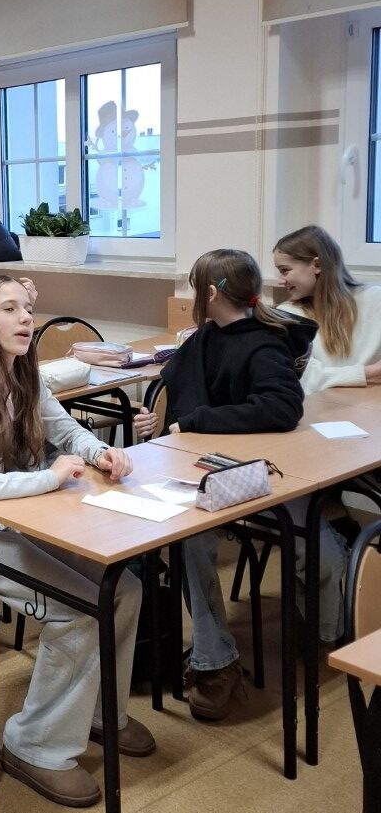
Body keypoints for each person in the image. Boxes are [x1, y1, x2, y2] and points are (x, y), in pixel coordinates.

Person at [0, 276, 151, 808]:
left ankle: (100, 711)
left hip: (17, 519)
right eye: (10, 309)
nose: (26, 317)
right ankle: (34, 744)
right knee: (77, 614)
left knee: (125, 590)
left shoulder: (22, 373)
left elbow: (65, 431)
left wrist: (98, 453)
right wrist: (47, 479)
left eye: (27, 308)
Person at [134, 249, 326, 718]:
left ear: (211, 293)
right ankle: (215, 660)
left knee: (317, 546)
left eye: (195, 290)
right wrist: (156, 423)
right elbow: (179, 398)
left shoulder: (262, 343)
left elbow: (282, 408)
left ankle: (325, 633)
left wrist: (195, 421)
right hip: (209, 470)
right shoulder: (205, 338)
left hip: (264, 476)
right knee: (187, 535)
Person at [274, 224, 381, 393]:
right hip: (321, 403)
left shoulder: (375, 298)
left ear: (317, 265)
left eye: (285, 271)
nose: (280, 281)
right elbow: (305, 379)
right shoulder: (287, 315)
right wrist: (372, 371)